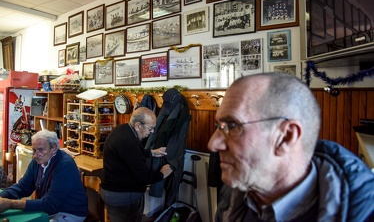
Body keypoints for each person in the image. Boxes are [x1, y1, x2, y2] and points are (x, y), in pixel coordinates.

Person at [208, 73, 374, 221]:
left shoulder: (363, 214)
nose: (213, 144)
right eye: (219, 126)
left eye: (232, 126)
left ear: (286, 137)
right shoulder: (234, 192)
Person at [101, 107, 173, 222]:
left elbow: (129, 155)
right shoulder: (130, 141)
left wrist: (151, 153)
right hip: (123, 198)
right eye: (150, 128)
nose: (152, 132)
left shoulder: (122, 130)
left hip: (113, 193)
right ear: (138, 125)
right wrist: (162, 174)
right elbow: (143, 177)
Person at [0, 129, 88, 221]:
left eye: (41, 150)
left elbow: (50, 204)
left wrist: (10, 203)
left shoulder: (65, 165)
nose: (36, 155)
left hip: (69, 212)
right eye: (34, 150)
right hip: (50, 210)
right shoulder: (37, 162)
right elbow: (23, 186)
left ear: (53, 148)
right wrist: (2, 196)